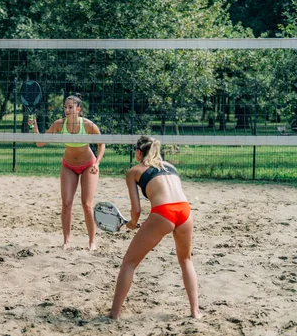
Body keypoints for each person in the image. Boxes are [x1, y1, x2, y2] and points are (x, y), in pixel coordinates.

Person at [107, 135, 201, 319]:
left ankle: (114, 314)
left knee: (129, 263)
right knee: (186, 260)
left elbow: (136, 210)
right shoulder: (171, 167)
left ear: (138, 152)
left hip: (163, 213)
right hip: (185, 211)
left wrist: (132, 224)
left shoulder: (134, 171)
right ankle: (195, 312)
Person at [31, 93, 105, 251]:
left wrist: (97, 163)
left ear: (79, 109)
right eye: (65, 107)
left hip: (88, 165)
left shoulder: (88, 125)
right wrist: (34, 126)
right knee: (66, 203)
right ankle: (67, 241)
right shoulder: (59, 124)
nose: (67, 109)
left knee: (86, 204)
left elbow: (102, 144)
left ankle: (92, 242)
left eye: (70, 107)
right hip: (68, 166)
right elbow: (40, 142)